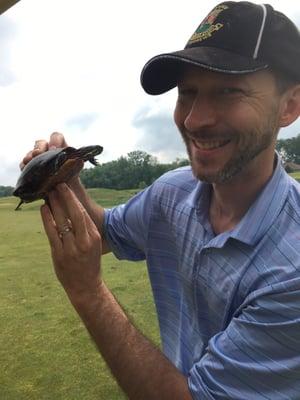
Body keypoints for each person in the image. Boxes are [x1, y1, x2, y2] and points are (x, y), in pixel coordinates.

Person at [21, 1, 300, 399]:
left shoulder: (292, 271)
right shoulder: (173, 191)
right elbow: (105, 233)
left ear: (289, 106)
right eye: (188, 92)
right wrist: (65, 176)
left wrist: (89, 293)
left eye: (228, 91)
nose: (194, 119)